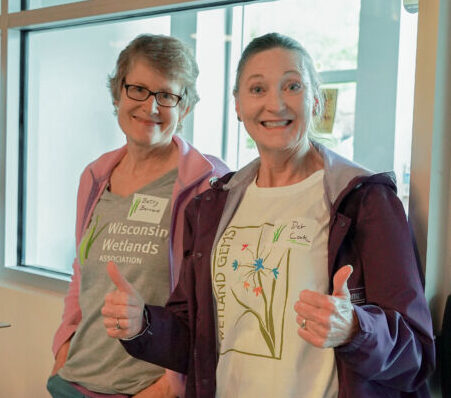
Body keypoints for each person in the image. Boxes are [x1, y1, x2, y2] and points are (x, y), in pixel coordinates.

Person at [101, 33, 435, 397]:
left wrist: (356, 328)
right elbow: (194, 339)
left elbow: (417, 357)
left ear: (317, 100)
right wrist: (142, 324)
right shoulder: (212, 207)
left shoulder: (364, 200)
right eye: (257, 89)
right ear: (238, 106)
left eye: (292, 86)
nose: (275, 104)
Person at [48, 34, 229, 398]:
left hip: (148, 390)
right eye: (138, 90)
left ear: (186, 108)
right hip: (74, 381)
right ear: (117, 94)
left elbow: (217, 301)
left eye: (167, 95)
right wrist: (63, 348)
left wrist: (169, 385)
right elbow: (82, 271)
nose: (151, 107)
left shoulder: (209, 184)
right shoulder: (96, 175)